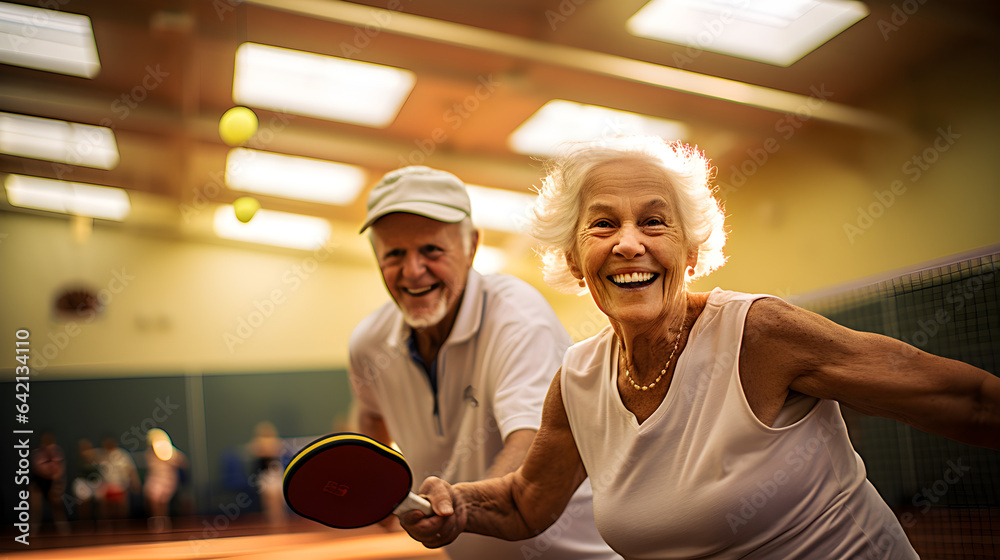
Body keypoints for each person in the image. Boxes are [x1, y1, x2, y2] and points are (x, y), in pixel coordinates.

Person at [399, 136, 1000, 558]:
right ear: (575, 262)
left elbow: (971, 403)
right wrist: (458, 504)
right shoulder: (577, 380)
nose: (629, 243)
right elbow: (528, 502)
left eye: (654, 223)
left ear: (690, 252)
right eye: (603, 224)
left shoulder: (760, 335)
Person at [349, 165, 620, 560]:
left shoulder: (519, 318)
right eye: (394, 254)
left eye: (431, 250)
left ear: (471, 246)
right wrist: (383, 492)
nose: (412, 270)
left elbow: (529, 442)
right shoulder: (369, 343)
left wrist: (459, 506)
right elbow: (372, 417)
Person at [143, 428, 188, 532]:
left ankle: (164, 519)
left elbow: (184, 463)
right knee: (153, 498)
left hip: (168, 480)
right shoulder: (148, 454)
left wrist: (171, 458)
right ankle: (156, 519)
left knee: (162, 500)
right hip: (154, 479)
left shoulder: (172, 452)